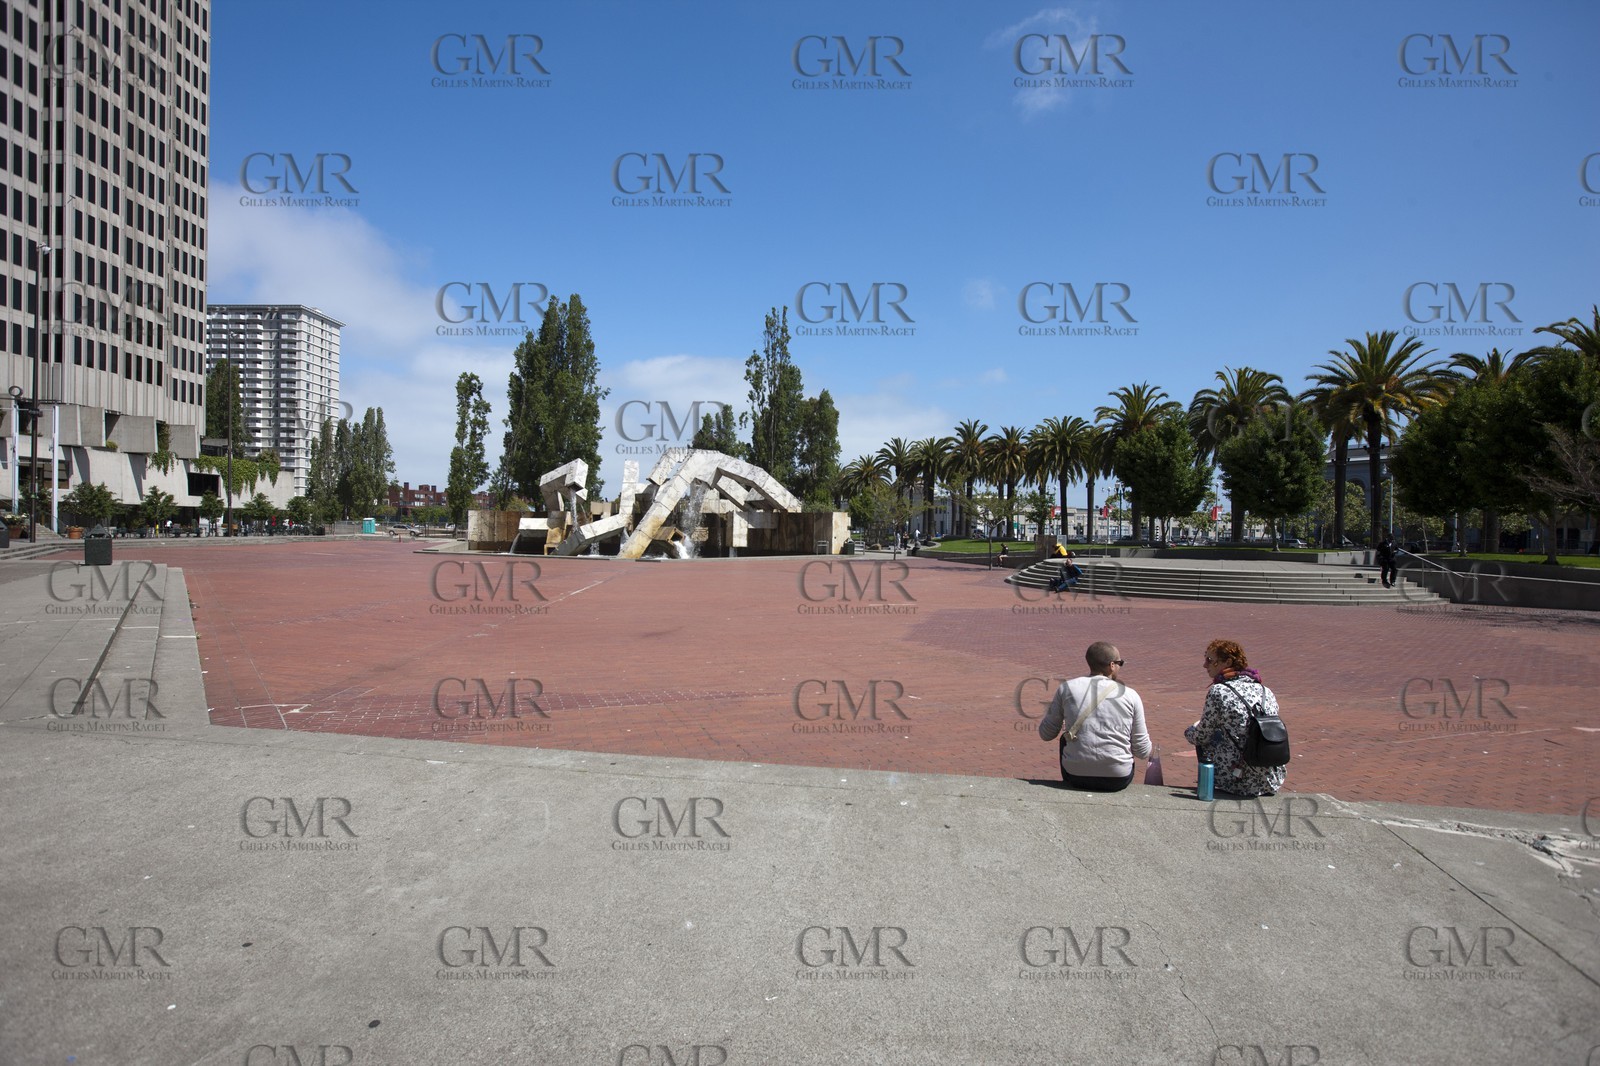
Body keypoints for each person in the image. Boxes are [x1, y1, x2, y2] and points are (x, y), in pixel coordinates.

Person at [1039, 641, 1152, 792]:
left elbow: (1046, 734)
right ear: (1112, 665)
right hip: (1118, 778)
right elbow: (1143, 751)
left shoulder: (1067, 688)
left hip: (1075, 776)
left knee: (1065, 738)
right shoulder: (1130, 695)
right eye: (1120, 663)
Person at [1185, 639, 1286, 798]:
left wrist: (1190, 731)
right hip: (1271, 780)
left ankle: (1208, 784)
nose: (1205, 665)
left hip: (1238, 781)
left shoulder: (1219, 691)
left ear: (1228, 662)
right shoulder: (1265, 690)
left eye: (1210, 660)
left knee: (1205, 735)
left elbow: (1201, 736)